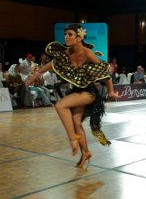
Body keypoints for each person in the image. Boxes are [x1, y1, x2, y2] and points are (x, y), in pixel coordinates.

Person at [25, 24, 120, 169]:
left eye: (70, 34)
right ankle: (86, 152)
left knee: (60, 105)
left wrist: (111, 92)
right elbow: (52, 64)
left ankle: (72, 140)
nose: (66, 37)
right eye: (65, 34)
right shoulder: (66, 53)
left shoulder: (88, 53)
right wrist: (35, 76)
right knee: (76, 122)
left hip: (89, 92)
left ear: (79, 37)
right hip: (77, 91)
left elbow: (106, 75)